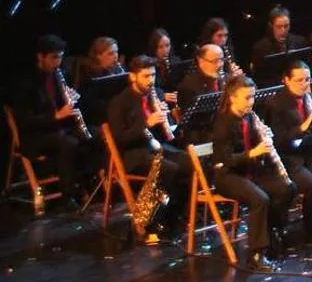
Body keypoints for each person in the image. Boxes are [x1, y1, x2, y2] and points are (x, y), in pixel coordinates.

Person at [210, 75, 296, 270]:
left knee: (287, 189)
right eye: (247, 98)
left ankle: (272, 231)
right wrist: (253, 152)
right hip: (228, 175)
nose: (251, 102)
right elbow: (225, 160)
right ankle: (256, 255)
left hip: (251, 171)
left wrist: (265, 139)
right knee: (260, 199)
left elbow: (257, 146)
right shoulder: (223, 123)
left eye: (253, 97)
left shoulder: (250, 116)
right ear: (232, 97)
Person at [106, 55, 193, 234]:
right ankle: (154, 219)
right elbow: (119, 138)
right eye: (145, 76)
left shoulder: (157, 94)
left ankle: (176, 214)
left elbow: (166, 135)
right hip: (134, 154)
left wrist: (169, 121)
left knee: (190, 163)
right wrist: (147, 123)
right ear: (132, 77)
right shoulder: (119, 102)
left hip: (158, 147)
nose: (150, 81)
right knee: (170, 169)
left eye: (152, 75)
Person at [264, 60, 312, 239]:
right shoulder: (275, 104)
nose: (304, 84)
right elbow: (279, 140)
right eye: (299, 80)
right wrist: (305, 125)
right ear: (286, 80)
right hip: (289, 157)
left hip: (310, 151)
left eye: (307, 80)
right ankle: (310, 228)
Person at [10, 34, 88, 202]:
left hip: (57, 130)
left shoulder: (59, 75)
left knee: (91, 136)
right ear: (40, 57)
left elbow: (62, 106)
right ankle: (69, 194)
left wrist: (70, 99)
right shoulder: (27, 83)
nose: (57, 63)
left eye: (60, 57)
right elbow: (24, 120)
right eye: (53, 58)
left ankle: (88, 184)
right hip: (36, 136)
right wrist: (56, 116)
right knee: (68, 143)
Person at [250, 5, 310, 86]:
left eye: (286, 26)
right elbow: (259, 78)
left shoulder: (300, 42)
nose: (283, 30)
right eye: (279, 27)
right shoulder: (260, 48)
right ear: (271, 26)